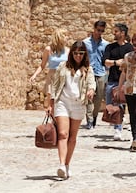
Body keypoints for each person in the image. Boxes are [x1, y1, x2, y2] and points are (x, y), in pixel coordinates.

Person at [50, 40, 96, 179]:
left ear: (84, 54)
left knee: (72, 136)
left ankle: (67, 164)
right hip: (63, 102)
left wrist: (91, 90)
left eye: (80, 53)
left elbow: (91, 83)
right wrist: (50, 104)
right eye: (75, 53)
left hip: (78, 104)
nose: (77, 56)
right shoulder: (62, 66)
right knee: (63, 134)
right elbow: (55, 85)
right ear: (72, 53)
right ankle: (61, 165)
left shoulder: (88, 69)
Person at [102, 23, 133, 140]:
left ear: (122, 33)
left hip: (126, 81)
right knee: (113, 105)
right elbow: (105, 61)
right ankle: (117, 127)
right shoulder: (110, 47)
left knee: (122, 104)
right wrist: (116, 62)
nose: (114, 33)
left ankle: (120, 127)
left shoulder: (130, 48)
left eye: (116, 31)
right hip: (112, 80)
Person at [30, 29, 69, 109]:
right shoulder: (48, 50)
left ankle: (59, 119)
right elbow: (42, 65)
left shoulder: (67, 50)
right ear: (59, 38)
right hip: (52, 78)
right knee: (50, 99)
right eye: (65, 36)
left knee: (61, 101)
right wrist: (34, 75)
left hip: (63, 78)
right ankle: (52, 118)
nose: (67, 38)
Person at [83, 20, 109, 129]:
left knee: (98, 98)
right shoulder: (85, 43)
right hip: (89, 72)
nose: (99, 33)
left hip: (101, 72)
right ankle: (89, 120)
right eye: (98, 30)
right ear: (94, 28)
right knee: (89, 96)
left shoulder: (105, 44)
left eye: (102, 31)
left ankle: (94, 116)